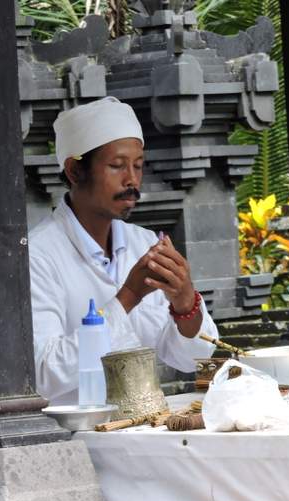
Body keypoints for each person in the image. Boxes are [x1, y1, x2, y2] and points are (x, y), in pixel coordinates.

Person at [28, 96, 217, 405]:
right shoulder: (38, 256)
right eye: (117, 166)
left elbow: (194, 359)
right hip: (74, 441)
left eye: (138, 167)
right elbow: (44, 373)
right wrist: (127, 297)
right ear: (75, 171)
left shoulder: (144, 245)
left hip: (145, 427)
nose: (132, 180)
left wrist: (185, 303)